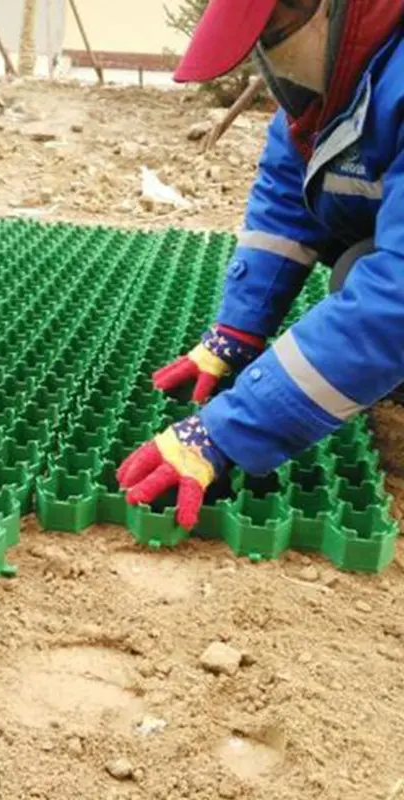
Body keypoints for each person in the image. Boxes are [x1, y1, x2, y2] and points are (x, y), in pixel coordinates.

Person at [117, 0, 404, 529]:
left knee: (365, 275)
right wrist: (236, 329)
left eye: (272, 30)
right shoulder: (326, 93)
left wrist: (230, 429)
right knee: (354, 269)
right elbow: (284, 200)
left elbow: (397, 297)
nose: (269, 54)